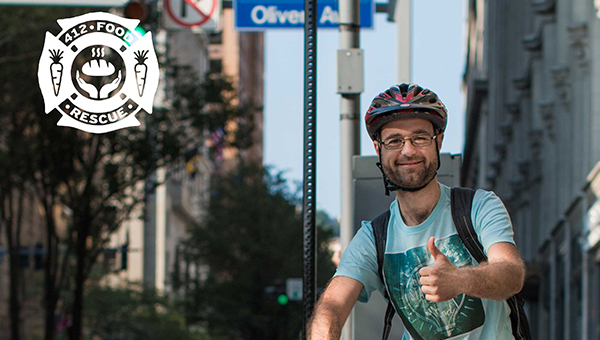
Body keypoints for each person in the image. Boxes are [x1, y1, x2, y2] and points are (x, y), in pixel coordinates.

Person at [308, 83, 526, 340]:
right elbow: (331, 307)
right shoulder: (373, 238)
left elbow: (511, 274)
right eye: (394, 141)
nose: (408, 150)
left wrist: (459, 280)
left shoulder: (479, 206)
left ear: (439, 142)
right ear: (379, 150)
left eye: (420, 138)